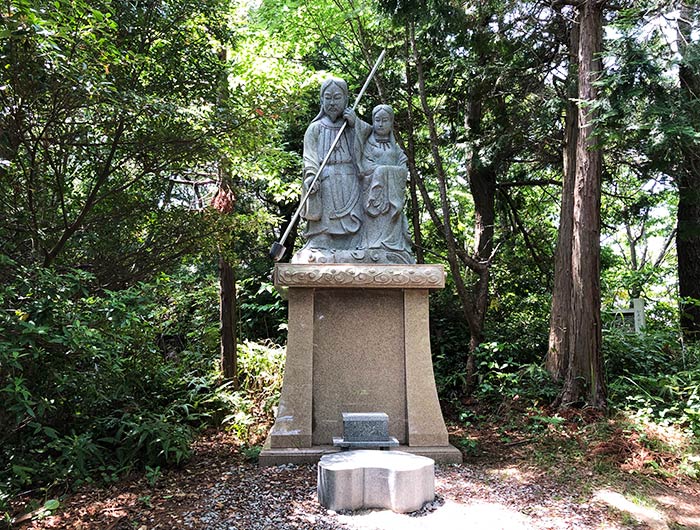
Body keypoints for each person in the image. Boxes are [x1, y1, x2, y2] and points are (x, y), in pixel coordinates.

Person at [295, 78, 363, 260]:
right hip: (324, 178)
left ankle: (352, 242)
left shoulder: (350, 126)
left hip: (349, 179)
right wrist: (311, 176)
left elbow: (369, 147)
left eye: (337, 98)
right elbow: (309, 158)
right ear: (321, 100)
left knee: (352, 219)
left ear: (346, 100)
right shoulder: (315, 128)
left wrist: (356, 126)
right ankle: (321, 240)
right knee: (325, 217)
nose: (332, 102)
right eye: (328, 98)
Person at [356, 104, 414, 263]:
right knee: (373, 221)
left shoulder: (395, 149)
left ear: (391, 122)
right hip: (373, 195)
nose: (380, 124)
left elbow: (403, 167)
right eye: (377, 120)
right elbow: (364, 166)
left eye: (385, 120)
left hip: (391, 196)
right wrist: (380, 173)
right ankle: (371, 245)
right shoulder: (368, 145)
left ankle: (394, 247)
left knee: (392, 219)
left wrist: (385, 172)